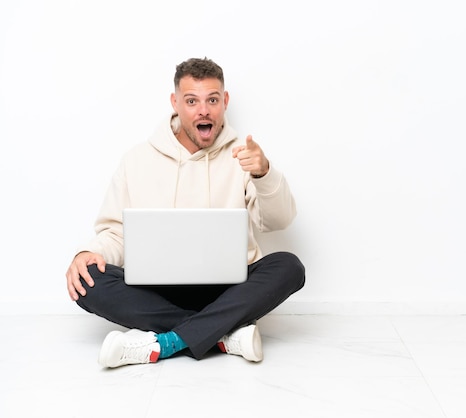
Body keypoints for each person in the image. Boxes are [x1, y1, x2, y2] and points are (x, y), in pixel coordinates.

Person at [65, 57, 305, 368]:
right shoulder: (137, 159)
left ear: (225, 102)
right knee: (88, 280)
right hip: (156, 291)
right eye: (192, 101)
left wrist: (264, 173)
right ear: (175, 103)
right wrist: (89, 253)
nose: (203, 110)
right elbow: (115, 232)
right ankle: (223, 335)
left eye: (212, 100)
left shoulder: (244, 158)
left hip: (226, 290)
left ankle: (168, 341)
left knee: (289, 267)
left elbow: (279, 220)